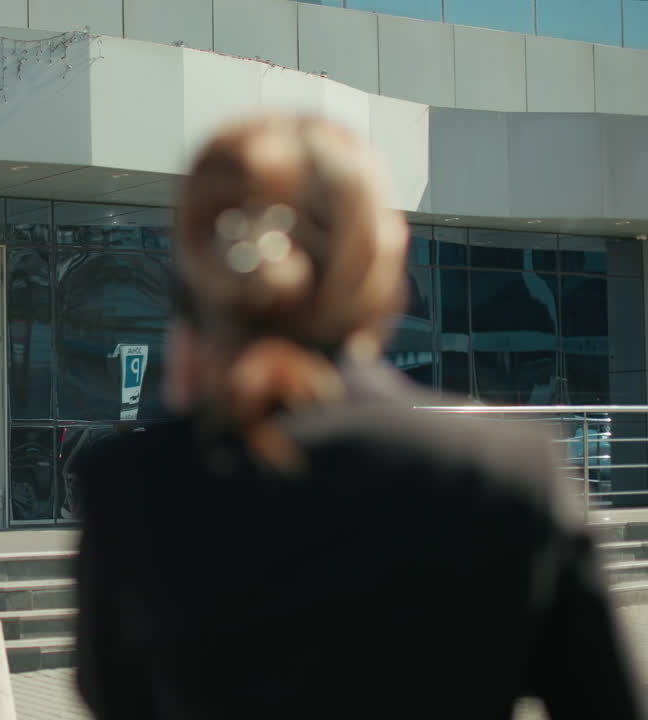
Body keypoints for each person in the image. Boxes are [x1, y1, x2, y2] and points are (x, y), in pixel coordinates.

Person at [72, 113, 643, 719]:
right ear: (379, 262)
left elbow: (118, 699)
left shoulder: (128, 486)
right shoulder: (507, 469)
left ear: (198, 272)